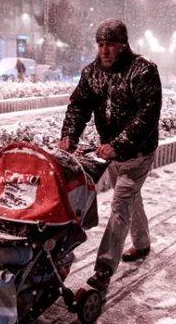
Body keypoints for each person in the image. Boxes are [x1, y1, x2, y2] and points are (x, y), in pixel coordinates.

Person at [57, 19, 162, 292]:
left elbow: (146, 116)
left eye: (111, 44)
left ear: (123, 45)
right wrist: (70, 134)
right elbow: (78, 106)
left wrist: (119, 144)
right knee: (129, 198)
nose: (104, 50)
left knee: (120, 205)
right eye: (101, 44)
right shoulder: (92, 73)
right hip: (112, 152)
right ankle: (142, 243)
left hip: (138, 153)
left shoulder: (143, 71)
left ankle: (104, 269)